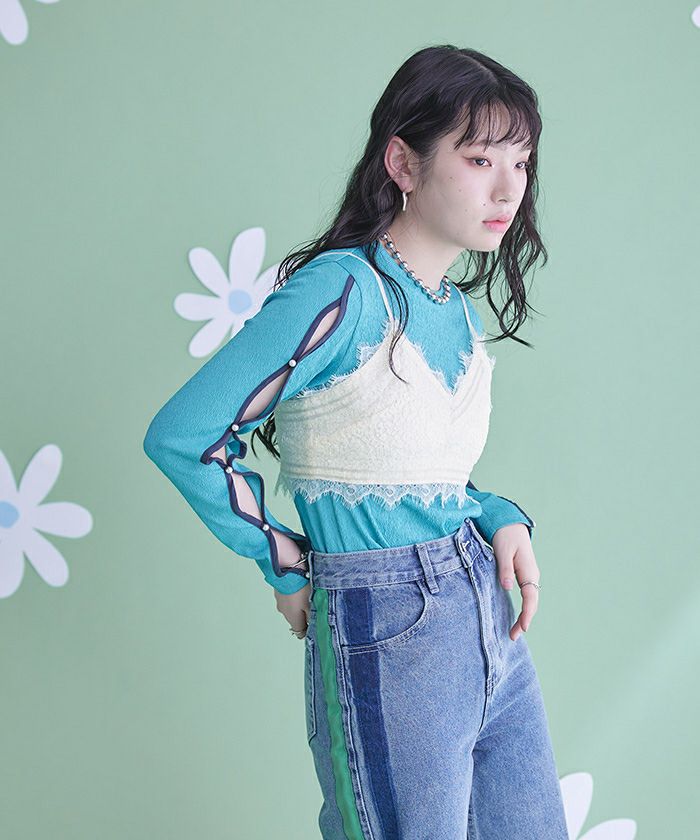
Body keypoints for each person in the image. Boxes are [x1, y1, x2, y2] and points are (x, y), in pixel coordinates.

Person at [143, 44, 569, 840]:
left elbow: (405, 468)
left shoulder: (455, 311)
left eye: (521, 162)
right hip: (388, 625)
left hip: (485, 607)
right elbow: (186, 435)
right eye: (480, 159)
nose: (508, 188)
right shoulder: (342, 290)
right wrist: (282, 557)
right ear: (402, 163)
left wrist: (497, 513)